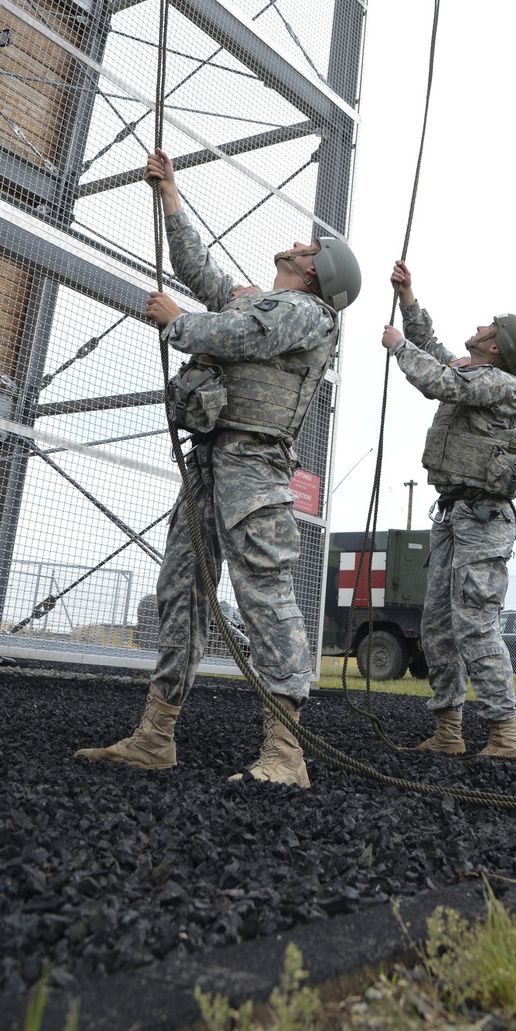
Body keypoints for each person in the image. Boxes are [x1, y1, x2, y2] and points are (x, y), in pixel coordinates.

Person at [76, 149, 361, 787]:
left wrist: (179, 323)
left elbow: (235, 337)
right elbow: (196, 268)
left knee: (266, 597)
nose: (295, 244)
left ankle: (285, 754)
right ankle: (156, 735)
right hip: (210, 466)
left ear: (317, 273)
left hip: (254, 474)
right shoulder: (257, 301)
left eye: (308, 246)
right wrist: (170, 194)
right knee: (181, 593)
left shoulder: (309, 314)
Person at [380, 259, 516, 759]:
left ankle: (502, 736)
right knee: (438, 627)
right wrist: (408, 299)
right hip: (455, 516)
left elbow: (438, 380)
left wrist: (396, 347)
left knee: (476, 623)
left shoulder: (500, 384)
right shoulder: (477, 372)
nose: (478, 327)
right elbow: (435, 351)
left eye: (488, 326)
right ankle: (449, 731)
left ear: (497, 347)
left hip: (484, 520)